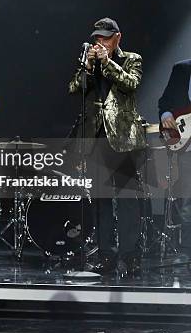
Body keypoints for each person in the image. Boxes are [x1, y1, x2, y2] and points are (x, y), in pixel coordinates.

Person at [68, 17, 146, 275]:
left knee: (126, 199)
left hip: (123, 139)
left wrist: (106, 62)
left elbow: (130, 83)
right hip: (96, 139)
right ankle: (105, 256)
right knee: (100, 200)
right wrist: (89, 67)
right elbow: (73, 89)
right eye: (97, 38)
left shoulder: (131, 59)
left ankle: (130, 256)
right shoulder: (90, 64)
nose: (100, 42)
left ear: (117, 38)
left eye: (105, 37)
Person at [159, 59, 191, 259]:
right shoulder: (181, 69)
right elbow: (164, 102)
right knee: (188, 201)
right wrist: (166, 114)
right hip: (187, 147)